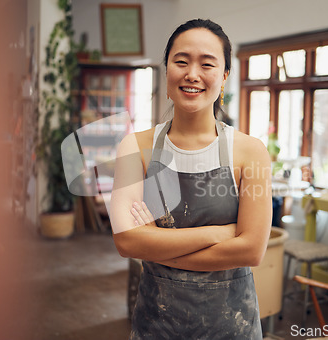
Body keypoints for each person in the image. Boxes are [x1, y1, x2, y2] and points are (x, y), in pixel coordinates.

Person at [109, 18, 272, 339]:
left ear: (224, 76)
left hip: (231, 325)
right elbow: (127, 241)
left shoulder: (250, 152)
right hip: (157, 323)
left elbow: (251, 251)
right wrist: (220, 234)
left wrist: (156, 244)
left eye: (207, 64)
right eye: (180, 61)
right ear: (167, 70)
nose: (192, 74)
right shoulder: (136, 147)